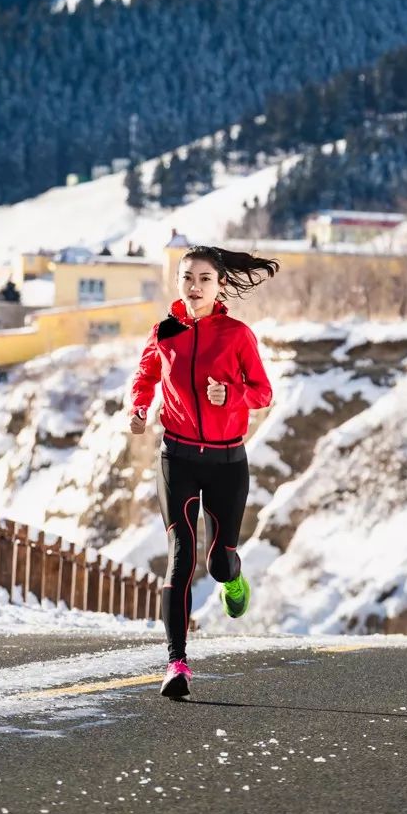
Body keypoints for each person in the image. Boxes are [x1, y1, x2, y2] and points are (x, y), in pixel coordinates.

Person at [128, 243, 279, 699]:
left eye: (204, 279)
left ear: (220, 284)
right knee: (180, 555)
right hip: (176, 457)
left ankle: (233, 576)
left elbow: (263, 392)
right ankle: (176, 663)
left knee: (217, 561)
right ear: (177, 282)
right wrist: (138, 408)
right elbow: (145, 377)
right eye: (187, 278)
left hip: (227, 461)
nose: (194, 287)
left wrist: (230, 395)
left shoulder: (237, 335)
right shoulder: (165, 332)